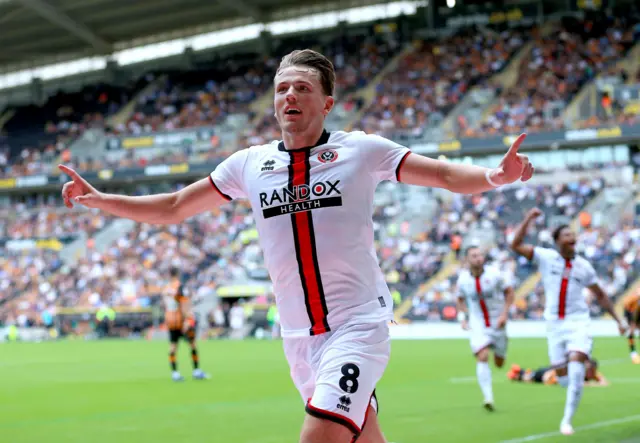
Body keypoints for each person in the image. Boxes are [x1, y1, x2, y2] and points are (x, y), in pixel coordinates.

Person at [59, 49, 534, 443]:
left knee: (318, 439)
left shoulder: (361, 150)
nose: (290, 95)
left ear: (326, 103)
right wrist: (100, 200)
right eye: (282, 88)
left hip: (357, 326)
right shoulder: (249, 164)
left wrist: (495, 176)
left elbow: (445, 174)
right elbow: (176, 206)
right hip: (298, 340)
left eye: (302, 87)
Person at [510, 208, 626, 436]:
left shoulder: (584, 266)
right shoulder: (546, 257)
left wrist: (618, 320)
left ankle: (567, 420)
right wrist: (528, 219)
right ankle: (568, 385)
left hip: (578, 322)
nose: (572, 238)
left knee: (576, 366)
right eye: (567, 236)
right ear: (557, 241)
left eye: (573, 236)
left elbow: (600, 295)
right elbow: (515, 244)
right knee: (563, 377)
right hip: (554, 325)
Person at [456, 246, 514, 411]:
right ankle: (488, 397)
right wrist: (462, 318)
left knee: (499, 363)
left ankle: (500, 351)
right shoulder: (463, 280)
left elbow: (509, 292)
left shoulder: (495, 274)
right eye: (474, 255)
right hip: (478, 323)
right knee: (482, 355)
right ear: (467, 260)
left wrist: (505, 314)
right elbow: (459, 299)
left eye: (480, 255)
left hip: (498, 322)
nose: (478, 258)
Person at [164, 268, 208, 382]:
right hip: (181, 320)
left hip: (170, 320)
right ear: (178, 274)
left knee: (173, 346)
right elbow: (183, 303)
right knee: (192, 345)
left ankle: (175, 373)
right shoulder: (179, 287)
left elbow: (166, 304)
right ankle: (196, 371)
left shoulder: (166, 288)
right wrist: (188, 320)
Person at [507, 358, 608, 387]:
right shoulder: (578, 373)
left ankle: (519, 371)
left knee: (530, 377)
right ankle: (517, 373)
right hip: (548, 374)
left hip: (552, 376)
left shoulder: (593, 374)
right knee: (529, 378)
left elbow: (604, 383)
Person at [622, 291, 640, 364]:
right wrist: (626, 317)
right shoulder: (636, 295)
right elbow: (626, 304)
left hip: (637, 312)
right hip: (631, 312)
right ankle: (633, 354)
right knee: (631, 331)